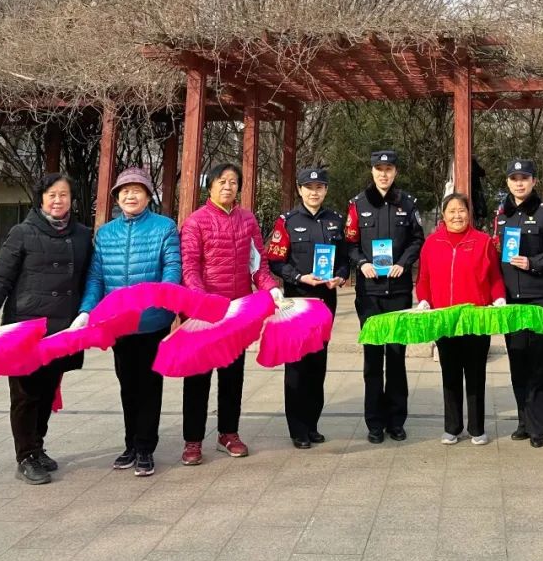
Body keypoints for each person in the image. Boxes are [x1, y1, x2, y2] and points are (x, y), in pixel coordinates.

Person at [0, 173, 92, 485]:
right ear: (41, 198)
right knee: (25, 394)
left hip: (62, 327)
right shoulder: (22, 232)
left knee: (48, 391)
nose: (58, 200)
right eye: (52, 195)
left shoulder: (82, 235)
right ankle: (25, 456)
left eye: (63, 194)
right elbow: (2, 278)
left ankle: (37, 446)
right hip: (26, 326)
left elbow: (89, 278)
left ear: (71, 199)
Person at [77, 167, 181, 477]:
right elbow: (96, 277)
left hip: (152, 321)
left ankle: (146, 447)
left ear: (148, 196)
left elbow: (172, 267)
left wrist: (164, 297)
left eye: (137, 190)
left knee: (149, 385)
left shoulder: (164, 227)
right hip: (118, 323)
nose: (130, 195)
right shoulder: (106, 233)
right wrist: (86, 310)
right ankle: (130, 444)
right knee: (127, 385)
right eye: (124, 191)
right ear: (117, 197)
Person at [180, 163, 281, 465]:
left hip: (237, 312)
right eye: (222, 181)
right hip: (203, 313)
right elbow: (189, 267)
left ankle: (228, 433)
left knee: (232, 376)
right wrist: (204, 302)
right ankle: (193, 440)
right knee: (197, 378)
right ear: (209, 186)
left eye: (233, 182)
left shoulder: (247, 220)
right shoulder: (196, 222)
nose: (228, 186)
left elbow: (258, 266)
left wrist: (271, 288)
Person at [265, 167, 349, 449]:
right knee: (297, 365)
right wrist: (299, 277)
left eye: (320, 187)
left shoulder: (336, 220)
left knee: (317, 364)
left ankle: (312, 424)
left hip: (325, 301)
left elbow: (345, 259)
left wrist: (340, 276)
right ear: (300, 190)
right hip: (298, 301)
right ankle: (297, 429)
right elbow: (275, 261)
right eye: (309, 187)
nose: (314, 192)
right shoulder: (287, 222)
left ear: (326, 190)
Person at [345, 150, 425, 444]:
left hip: (398, 291)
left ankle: (396, 421)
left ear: (395, 172)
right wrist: (361, 263)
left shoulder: (408, 203)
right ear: (372, 172)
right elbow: (349, 242)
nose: (384, 174)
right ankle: (375, 423)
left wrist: (403, 263)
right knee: (372, 359)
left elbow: (417, 239)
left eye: (388, 169)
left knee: (396, 357)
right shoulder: (357, 204)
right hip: (369, 294)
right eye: (379, 169)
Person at [415, 193, 506, 446]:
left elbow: (495, 277)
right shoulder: (432, 243)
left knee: (476, 375)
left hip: (476, 319)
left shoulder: (483, 241)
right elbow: (423, 279)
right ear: (443, 215)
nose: (457, 216)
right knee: (450, 374)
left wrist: (499, 298)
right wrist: (424, 300)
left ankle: (477, 428)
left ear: (469, 213)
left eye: (462, 210)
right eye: (452, 211)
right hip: (445, 320)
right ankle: (452, 427)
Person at [493, 159, 543, 448]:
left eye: (524, 178)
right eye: (514, 178)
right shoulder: (502, 216)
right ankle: (524, 421)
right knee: (517, 362)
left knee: (539, 364)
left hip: (539, 299)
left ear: (534, 181)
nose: (519, 183)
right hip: (511, 300)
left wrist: (532, 262)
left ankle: (538, 427)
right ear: (508, 182)